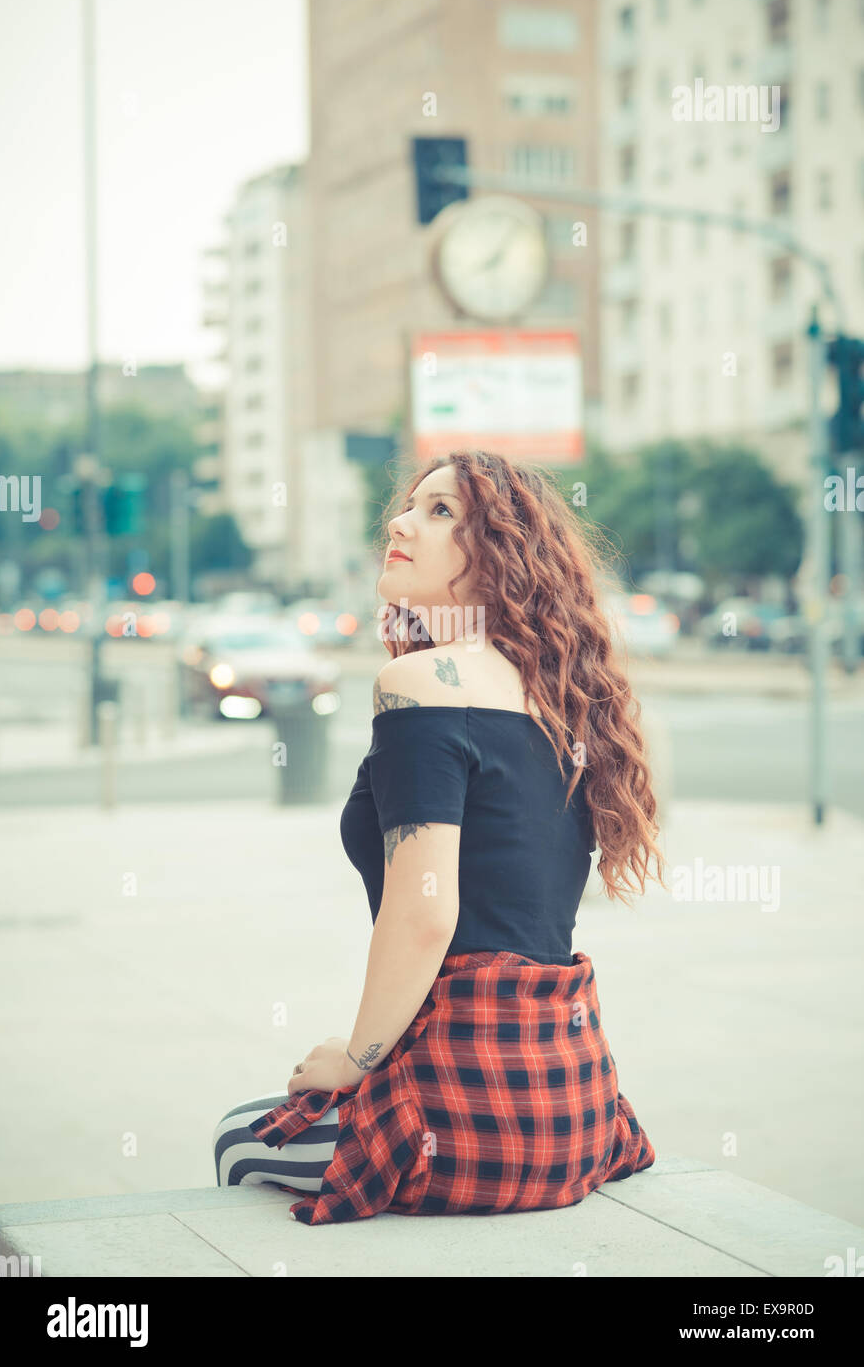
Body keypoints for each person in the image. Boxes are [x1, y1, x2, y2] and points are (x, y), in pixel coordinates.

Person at [213, 449, 665, 1225]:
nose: (399, 523)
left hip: (468, 1103)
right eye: (409, 505)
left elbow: (425, 913)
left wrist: (355, 1059)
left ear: (499, 556)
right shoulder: (563, 700)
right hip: (576, 1101)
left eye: (439, 511)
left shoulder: (420, 686)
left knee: (237, 1140)